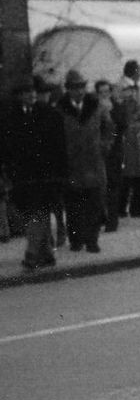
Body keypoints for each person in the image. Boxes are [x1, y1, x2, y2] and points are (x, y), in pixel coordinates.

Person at [3, 77, 68, 268]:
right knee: (32, 212)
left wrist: (62, 173)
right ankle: (47, 253)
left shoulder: (50, 114)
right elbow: (6, 146)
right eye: (26, 92)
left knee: (38, 211)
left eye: (33, 91)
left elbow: (60, 146)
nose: (31, 95)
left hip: (46, 174)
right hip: (22, 175)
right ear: (19, 96)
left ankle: (31, 253)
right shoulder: (10, 117)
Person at [56, 71, 114, 253]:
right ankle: (76, 240)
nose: (79, 91)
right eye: (74, 88)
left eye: (81, 87)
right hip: (71, 165)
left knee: (94, 204)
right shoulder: (60, 109)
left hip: (94, 163)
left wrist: (105, 146)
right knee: (73, 205)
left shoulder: (96, 106)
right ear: (68, 90)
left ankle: (92, 240)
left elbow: (110, 128)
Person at [114, 60, 140, 219]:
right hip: (131, 134)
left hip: (136, 133)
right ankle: (132, 207)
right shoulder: (125, 89)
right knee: (131, 171)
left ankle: (133, 206)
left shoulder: (131, 87)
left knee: (136, 170)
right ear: (134, 71)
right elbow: (129, 111)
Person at [93, 80, 123, 233]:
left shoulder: (116, 107)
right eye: (101, 92)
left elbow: (122, 126)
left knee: (113, 186)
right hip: (99, 154)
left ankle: (112, 220)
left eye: (107, 91)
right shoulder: (94, 109)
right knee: (99, 187)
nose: (105, 94)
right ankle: (100, 217)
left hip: (114, 152)